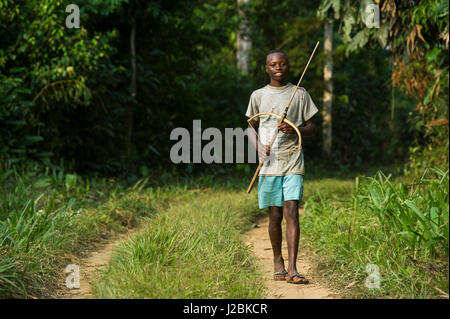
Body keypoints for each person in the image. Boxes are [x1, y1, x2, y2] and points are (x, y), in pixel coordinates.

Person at [246, 49, 318, 284]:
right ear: (266, 69)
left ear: (288, 66)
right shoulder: (258, 95)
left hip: (293, 160)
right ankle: (278, 261)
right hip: (269, 163)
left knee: (291, 211)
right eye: (273, 65)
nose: (279, 68)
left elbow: (311, 127)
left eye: (283, 64)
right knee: (274, 214)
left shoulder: (300, 94)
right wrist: (259, 148)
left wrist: (293, 128)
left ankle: (293, 268)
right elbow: (250, 127)